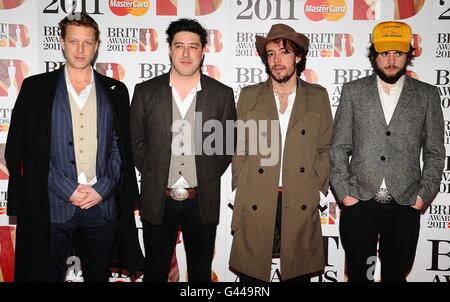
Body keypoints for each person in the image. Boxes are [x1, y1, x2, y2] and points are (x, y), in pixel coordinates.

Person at [5, 12, 143, 282]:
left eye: (88, 43)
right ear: (62, 43)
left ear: (96, 45)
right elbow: (25, 151)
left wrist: (101, 190)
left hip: (100, 208)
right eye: (74, 42)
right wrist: (67, 190)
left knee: (99, 276)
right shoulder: (36, 88)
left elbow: (121, 149)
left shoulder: (115, 90)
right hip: (53, 206)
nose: (80, 50)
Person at [330, 21, 445, 282]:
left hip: (405, 205)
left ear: (408, 54)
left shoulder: (427, 95)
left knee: (395, 276)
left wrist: (421, 198)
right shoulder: (353, 91)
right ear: (374, 55)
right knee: (360, 276)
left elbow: (435, 152)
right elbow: (339, 147)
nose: (391, 60)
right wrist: (345, 195)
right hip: (360, 203)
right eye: (384, 53)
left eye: (398, 53)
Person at [130, 18, 237, 282]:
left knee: (200, 274)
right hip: (158, 199)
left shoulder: (221, 94)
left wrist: (205, 175)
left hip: (202, 200)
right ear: (169, 49)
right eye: (179, 46)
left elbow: (226, 147)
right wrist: (156, 172)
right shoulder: (145, 92)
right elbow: (137, 144)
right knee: (154, 272)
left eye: (193, 46)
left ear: (203, 50)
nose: (186, 54)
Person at [229, 24, 333, 282]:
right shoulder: (250, 95)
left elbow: (325, 148)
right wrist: (238, 188)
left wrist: (317, 191)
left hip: (300, 198)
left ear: (297, 57)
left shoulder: (318, 96)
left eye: (284, 52)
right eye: (271, 53)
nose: (277, 60)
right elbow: (239, 146)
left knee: (297, 276)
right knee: (252, 280)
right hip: (256, 199)